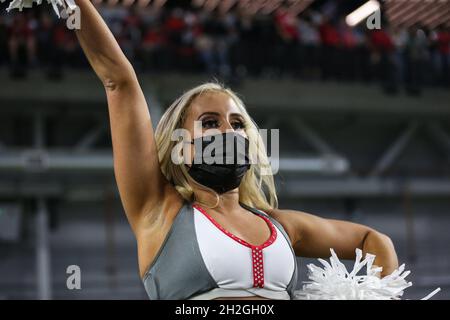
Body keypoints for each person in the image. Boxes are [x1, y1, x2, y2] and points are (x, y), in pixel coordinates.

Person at [74, 0, 398, 300]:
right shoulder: (160, 212)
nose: (228, 131)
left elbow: (375, 241)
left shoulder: (282, 226)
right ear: (180, 144)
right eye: (210, 123)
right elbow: (119, 80)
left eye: (238, 124)